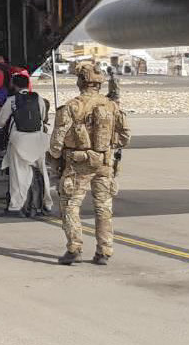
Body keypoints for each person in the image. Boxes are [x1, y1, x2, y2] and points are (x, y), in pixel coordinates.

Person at [48, 61, 129, 266]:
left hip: (79, 164)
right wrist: (107, 147)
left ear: (80, 82)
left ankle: (74, 248)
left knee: (70, 205)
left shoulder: (72, 106)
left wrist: (56, 157)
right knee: (103, 207)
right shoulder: (111, 105)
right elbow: (125, 136)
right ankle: (104, 251)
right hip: (104, 162)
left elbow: (57, 142)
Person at [0, 73, 52, 216]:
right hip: (38, 140)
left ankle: (15, 207)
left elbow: (1, 121)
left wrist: (0, 127)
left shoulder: (12, 100)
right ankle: (45, 204)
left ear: (13, 85)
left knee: (18, 175)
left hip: (19, 140)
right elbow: (43, 116)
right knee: (42, 172)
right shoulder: (38, 98)